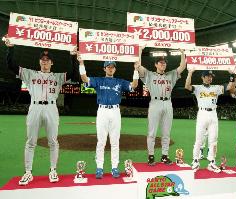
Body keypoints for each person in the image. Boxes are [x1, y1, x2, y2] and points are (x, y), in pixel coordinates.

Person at [4, 37, 78, 185]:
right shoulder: (30, 73)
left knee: (53, 141)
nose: (45, 61)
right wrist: (10, 48)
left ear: (52, 62)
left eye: (47, 59)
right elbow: (11, 65)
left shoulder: (57, 77)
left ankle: (52, 170)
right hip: (35, 107)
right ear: (40, 62)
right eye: (43, 59)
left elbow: (72, 73)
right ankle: (28, 172)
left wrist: (72, 56)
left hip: (51, 107)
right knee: (31, 142)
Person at [77, 55, 138, 179]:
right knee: (101, 141)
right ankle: (99, 167)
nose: (110, 68)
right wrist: (81, 63)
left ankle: (114, 167)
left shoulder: (120, 82)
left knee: (115, 141)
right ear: (104, 68)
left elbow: (134, 85)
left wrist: (136, 70)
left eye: (112, 67)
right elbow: (84, 79)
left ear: (115, 69)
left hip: (115, 111)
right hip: (102, 111)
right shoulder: (98, 80)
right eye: (108, 66)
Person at [135, 48, 186, 166]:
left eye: (164, 63)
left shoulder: (171, 74)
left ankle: (164, 156)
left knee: (166, 132)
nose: (163, 64)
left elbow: (182, 66)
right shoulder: (149, 75)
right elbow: (138, 65)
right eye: (161, 62)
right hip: (155, 103)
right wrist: (140, 50)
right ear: (156, 64)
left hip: (168, 103)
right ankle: (151, 156)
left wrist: (182, 53)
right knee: (152, 132)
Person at [185, 69, 232, 173]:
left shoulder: (216, 88)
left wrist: (232, 75)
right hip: (202, 114)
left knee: (213, 140)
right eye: (207, 76)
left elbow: (229, 87)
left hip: (213, 114)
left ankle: (212, 162)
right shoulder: (198, 88)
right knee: (199, 139)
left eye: (211, 76)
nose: (210, 78)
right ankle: (195, 161)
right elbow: (187, 86)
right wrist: (190, 73)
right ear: (202, 77)